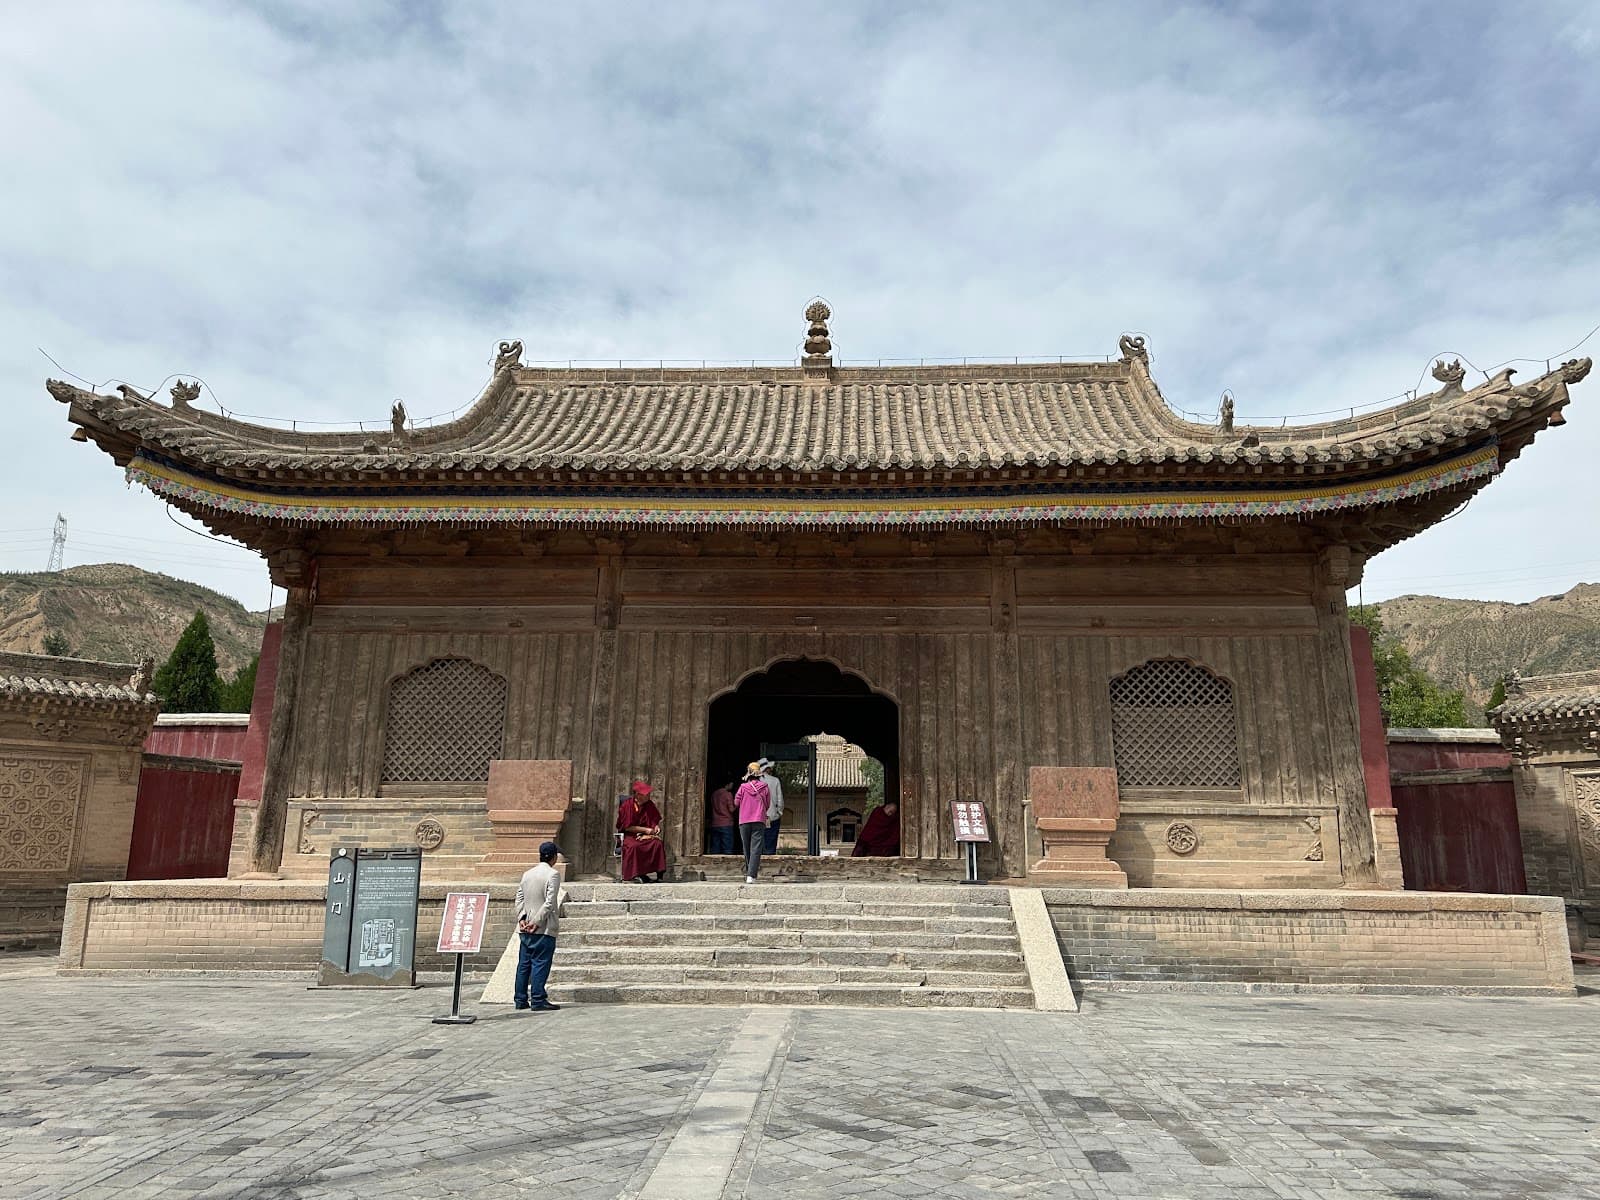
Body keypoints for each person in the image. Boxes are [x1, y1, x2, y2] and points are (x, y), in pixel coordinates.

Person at [513, 840, 562, 1012]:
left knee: (524, 964)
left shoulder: (527, 874)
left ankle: (520, 999)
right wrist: (537, 922)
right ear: (554, 857)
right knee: (541, 963)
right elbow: (549, 903)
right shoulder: (553, 875)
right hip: (543, 927)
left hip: (525, 926)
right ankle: (538, 999)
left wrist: (522, 918)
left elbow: (519, 898)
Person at [617, 779, 667, 883]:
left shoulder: (649, 804)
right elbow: (627, 827)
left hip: (645, 835)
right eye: (646, 794)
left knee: (657, 844)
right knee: (634, 847)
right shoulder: (627, 805)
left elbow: (654, 820)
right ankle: (633, 875)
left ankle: (659, 875)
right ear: (638, 795)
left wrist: (656, 827)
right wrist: (646, 830)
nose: (648, 796)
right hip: (630, 836)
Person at [735, 761, 772, 884]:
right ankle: (751, 875)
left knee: (746, 848)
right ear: (758, 774)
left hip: (744, 820)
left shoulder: (742, 787)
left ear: (748, 774)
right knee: (756, 848)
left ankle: (749, 873)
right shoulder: (765, 787)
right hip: (759, 820)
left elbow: (736, 803)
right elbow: (767, 804)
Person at [758, 757, 785, 854]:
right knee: (771, 842)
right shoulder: (775, 780)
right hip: (772, 815)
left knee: (758, 841)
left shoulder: (755, 781)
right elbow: (780, 799)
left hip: (757, 817)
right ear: (767, 769)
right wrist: (779, 812)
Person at [707, 778, 739, 855]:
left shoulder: (714, 794)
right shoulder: (728, 794)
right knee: (727, 848)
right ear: (727, 784)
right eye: (731, 784)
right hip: (726, 823)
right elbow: (731, 809)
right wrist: (737, 805)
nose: (732, 785)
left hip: (715, 823)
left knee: (715, 847)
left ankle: (714, 865)